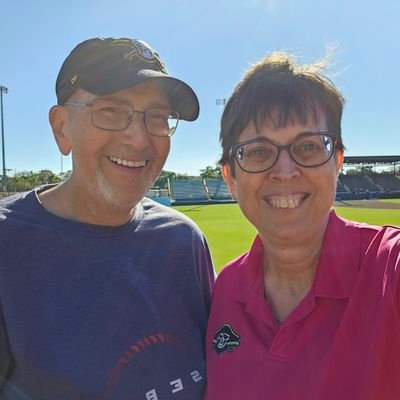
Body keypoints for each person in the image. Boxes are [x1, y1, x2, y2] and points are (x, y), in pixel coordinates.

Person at [0, 37, 214, 400]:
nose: (138, 138)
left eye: (158, 117)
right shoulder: (8, 244)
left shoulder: (184, 241)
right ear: (62, 127)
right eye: (112, 110)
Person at [205, 51, 400, 400]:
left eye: (308, 147)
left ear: (337, 162)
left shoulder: (389, 267)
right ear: (230, 178)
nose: (285, 171)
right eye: (258, 152)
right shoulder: (225, 289)